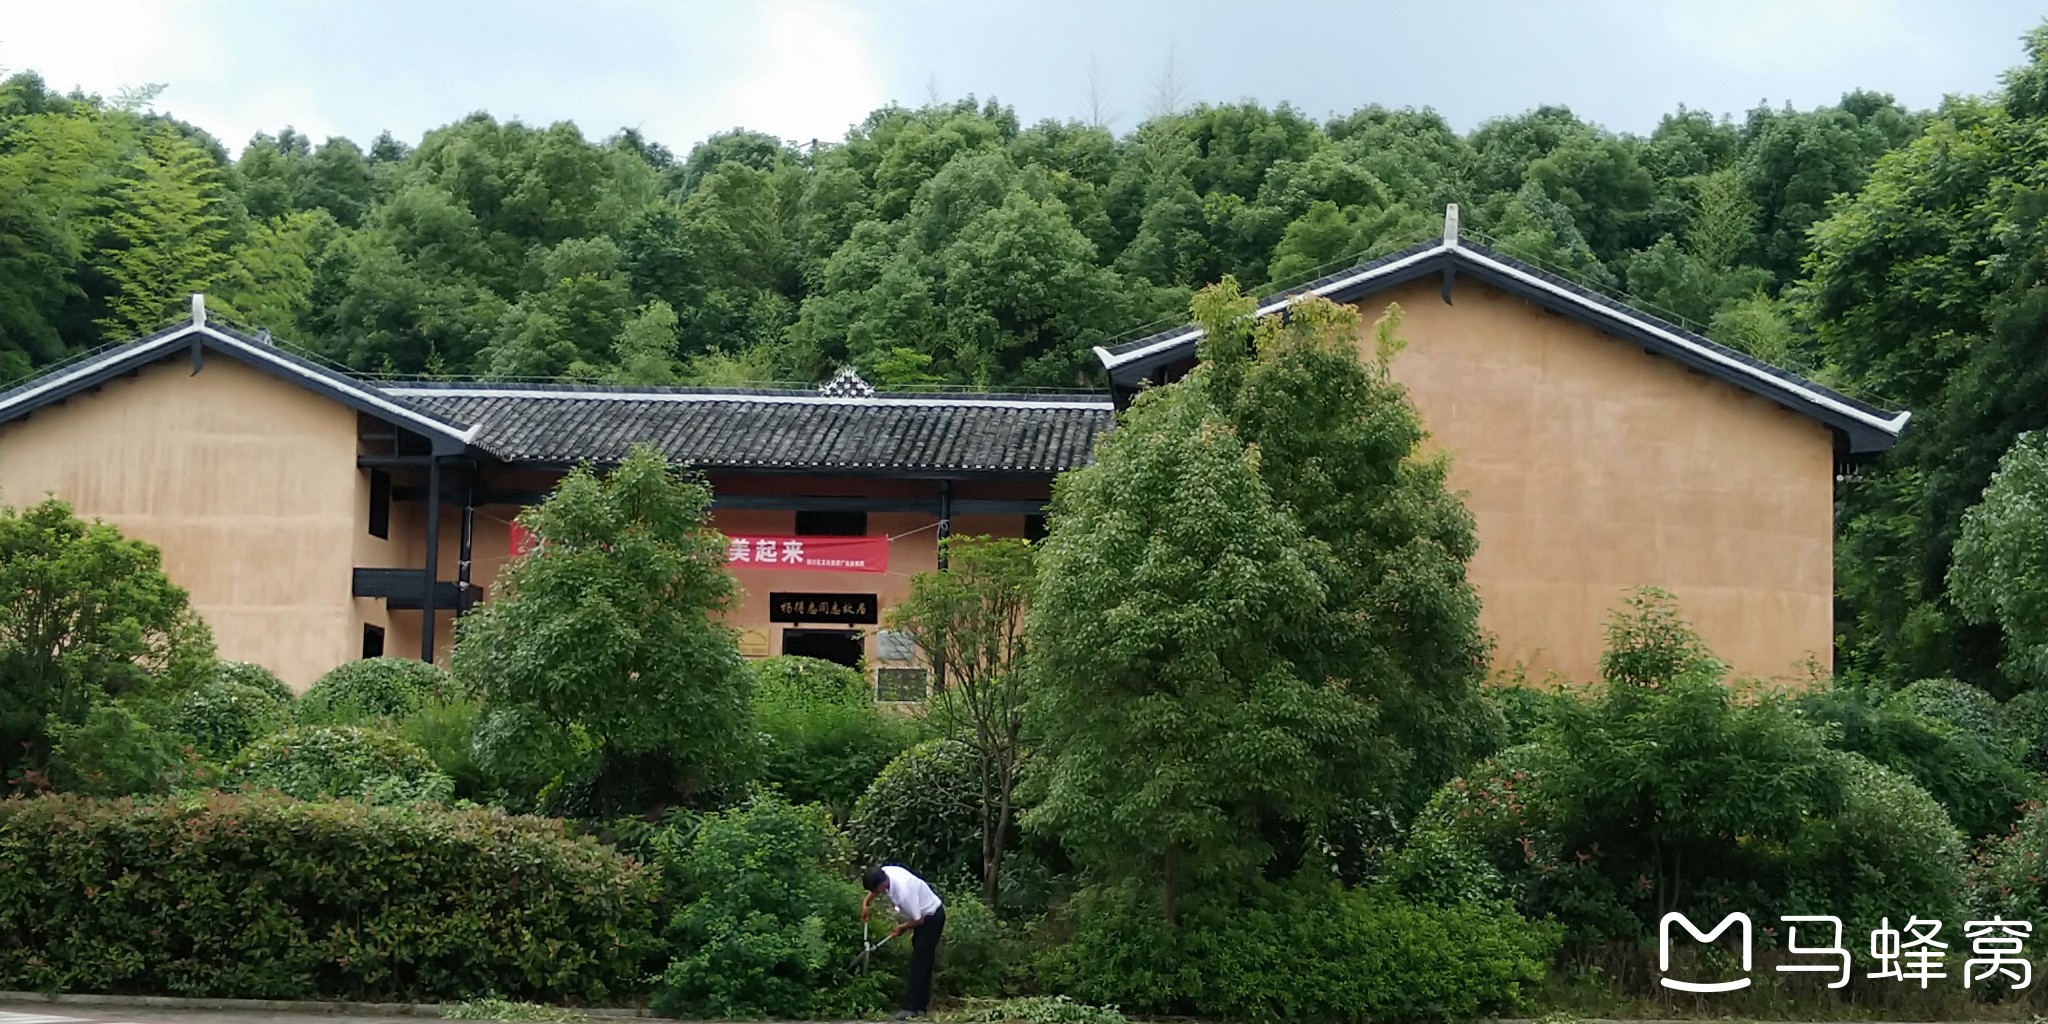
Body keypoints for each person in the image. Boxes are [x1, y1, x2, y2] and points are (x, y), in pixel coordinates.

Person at [862, 864, 945, 1019]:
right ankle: (920, 1007)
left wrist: (901, 927)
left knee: (920, 961)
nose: (876, 894)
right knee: (922, 960)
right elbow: (873, 891)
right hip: (922, 916)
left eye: (876, 891)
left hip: (932, 918)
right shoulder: (885, 872)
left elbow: (918, 920)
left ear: (883, 884)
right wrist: (866, 904)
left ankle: (912, 1008)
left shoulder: (904, 892)